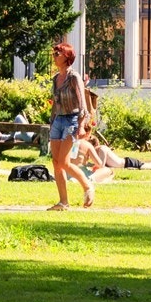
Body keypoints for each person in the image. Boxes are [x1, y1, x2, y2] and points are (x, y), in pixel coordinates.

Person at [47, 41, 94, 211]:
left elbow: (82, 105)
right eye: (54, 54)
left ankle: (87, 186)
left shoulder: (74, 77)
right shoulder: (55, 79)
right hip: (58, 121)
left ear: (67, 57)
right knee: (56, 162)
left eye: (57, 54)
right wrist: (52, 121)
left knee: (64, 162)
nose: (54, 56)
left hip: (72, 120)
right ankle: (63, 202)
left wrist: (81, 125)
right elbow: (55, 103)